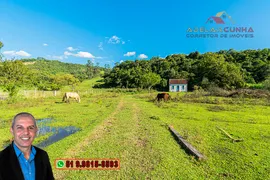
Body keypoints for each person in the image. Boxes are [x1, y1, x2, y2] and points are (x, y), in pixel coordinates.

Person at [0, 112, 54, 180]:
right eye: (20, 128)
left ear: (36, 130)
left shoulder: (43, 155)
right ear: (12, 130)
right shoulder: (1, 159)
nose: (26, 132)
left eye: (30, 128)